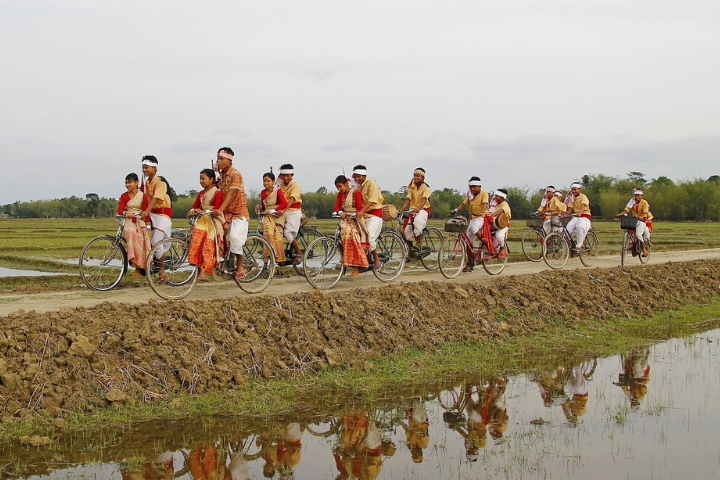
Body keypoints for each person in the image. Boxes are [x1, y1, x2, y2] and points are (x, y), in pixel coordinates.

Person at [212, 147, 250, 280]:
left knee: (234, 237)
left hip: (238, 212)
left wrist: (220, 209)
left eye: (221, 159)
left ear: (229, 160)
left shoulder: (235, 174)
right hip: (226, 213)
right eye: (218, 159)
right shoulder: (220, 175)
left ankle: (240, 266)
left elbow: (232, 193)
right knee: (215, 235)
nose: (219, 161)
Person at [187, 169, 225, 281]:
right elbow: (195, 206)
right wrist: (192, 211)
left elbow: (217, 210)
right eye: (200, 179)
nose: (201, 181)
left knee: (207, 243)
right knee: (196, 240)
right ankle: (198, 269)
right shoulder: (201, 194)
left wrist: (201, 212)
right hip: (202, 221)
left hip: (214, 220)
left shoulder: (217, 193)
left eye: (203, 178)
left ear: (211, 179)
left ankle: (203, 271)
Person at [140, 155, 172, 281]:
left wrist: (147, 210)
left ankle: (161, 271)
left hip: (162, 216)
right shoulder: (146, 183)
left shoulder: (160, 182)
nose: (144, 170)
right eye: (143, 168)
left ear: (154, 167)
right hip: (152, 215)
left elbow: (156, 198)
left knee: (156, 242)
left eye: (146, 167)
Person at [333, 175, 370, 277]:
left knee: (351, 235)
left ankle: (357, 266)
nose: (339, 189)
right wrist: (340, 212)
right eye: (337, 187)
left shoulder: (356, 193)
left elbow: (359, 209)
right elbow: (336, 207)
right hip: (345, 220)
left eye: (340, 186)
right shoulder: (340, 195)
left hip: (356, 220)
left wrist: (349, 214)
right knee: (343, 232)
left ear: (346, 184)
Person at [452, 177, 489, 272]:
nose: (472, 189)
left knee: (473, 228)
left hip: (482, 218)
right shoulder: (470, 195)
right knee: (467, 242)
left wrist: (481, 212)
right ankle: (470, 262)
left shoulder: (484, 193)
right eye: (471, 187)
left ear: (479, 186)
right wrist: (456, 210)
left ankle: (484, 242)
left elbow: (485, 204)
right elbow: (464, 204)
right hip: (473, 218)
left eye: (474, 187)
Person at [117, 173, 151, 278]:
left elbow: (146, 211)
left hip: (140, 220)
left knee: (143, 236)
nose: (127, 185)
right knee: (131, 231)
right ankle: (133, 260)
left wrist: (148, 225)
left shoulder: (142, 196)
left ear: (136, 183)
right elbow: (120, 209)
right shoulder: (124, 196)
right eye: (126, 183)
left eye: (130, 182)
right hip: (129, 220)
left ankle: (139, 267)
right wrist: (125, 213)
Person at [352, 165, 385, 271]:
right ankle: (364, 260)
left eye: (359, 176)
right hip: (364, 215)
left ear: (364, 175)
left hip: (374, 215)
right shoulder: (358, 186)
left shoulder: (372, 184)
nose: (357, 179)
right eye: (355, 176)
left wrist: (361, 211)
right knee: (356, 236)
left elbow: (372, 200)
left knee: (369, 238)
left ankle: (377, 260)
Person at [256, 171, 288, 265]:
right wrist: (260, 207)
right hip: (267, 215)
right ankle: (267, 258)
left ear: (273, 182)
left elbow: (284, 204)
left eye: (268, 181)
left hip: (276, 215)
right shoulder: (262, 192)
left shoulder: (277, 191)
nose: (266, 183)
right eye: (264, 181)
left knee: (276, 234)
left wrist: (273, 210)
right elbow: (263, 205)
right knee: (267, 234)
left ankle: (277, 257)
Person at [398, 168, 431, 255]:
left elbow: (424, 199)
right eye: (414, 176)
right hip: (412, 210)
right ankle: (412, 251)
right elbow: (408, 200)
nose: (415, 177)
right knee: (404, 231)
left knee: (417, 222)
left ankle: (419, 244)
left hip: (423, 209)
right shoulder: (411, 187)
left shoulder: (426, 188)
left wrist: (419, 208)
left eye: (418, 176)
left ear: (423, 177)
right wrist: (401, 210)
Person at [277, 163, 303, 264]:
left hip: (293, 212)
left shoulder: (295, 185)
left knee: (287, 232)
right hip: (283, 211)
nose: (286, 178)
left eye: (288, 175)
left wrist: (284, 209)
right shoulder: (280, 184)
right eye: (284, 175)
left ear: (292, 175)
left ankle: (299, 253)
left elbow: (292, 199)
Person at [615, 188, 653, 256]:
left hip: (642, 220)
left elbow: (645, 212)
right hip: (634, 219)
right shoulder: (632, 201)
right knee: (630, 231)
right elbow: (627, 209)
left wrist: (641, 216)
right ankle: (633, 246)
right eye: (635, 195)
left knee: (638, 234)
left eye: (638, 196)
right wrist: (621, 214)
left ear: (641, 196)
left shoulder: (644, 202)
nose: (637, 197)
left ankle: (644, 250)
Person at [564, 182, 591, 253]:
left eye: (575, 189)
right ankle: (571, 245)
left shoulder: (583, 197)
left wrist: (580, 213)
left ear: (580, 189)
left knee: (580, 227)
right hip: (576, 217)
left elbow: (583, 205)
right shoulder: (571, 198)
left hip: (585, 217)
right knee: (567, 230)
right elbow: (570, 209)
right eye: (572, 190)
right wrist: (564, 214)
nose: (573, 191)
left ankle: (579, 246)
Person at [488, 189, 511, 257]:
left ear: (502, 197)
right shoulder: (495, 204)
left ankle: (502, 247)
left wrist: (493, 215)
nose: (495, 197)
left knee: (499, 236)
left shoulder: (505, 204)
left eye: (497, 196)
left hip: (502, 225)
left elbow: (501, 210)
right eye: (495, 195)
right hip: (494, 224)